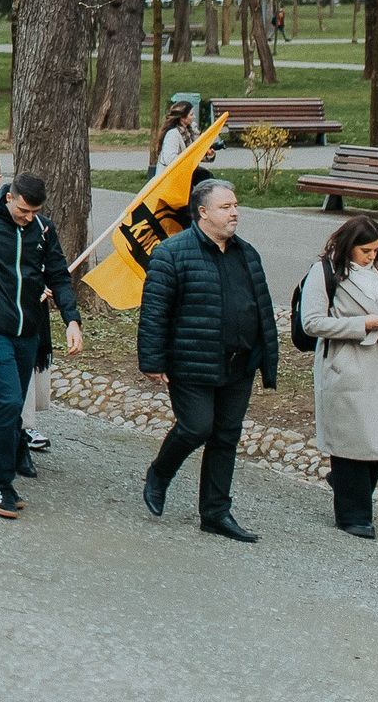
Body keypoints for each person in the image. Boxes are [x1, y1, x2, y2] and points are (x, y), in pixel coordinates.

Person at [138, 179, 279, 543]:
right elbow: (155, 312)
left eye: (235, 205)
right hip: (192, 361)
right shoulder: (172, 253)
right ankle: (161, 471)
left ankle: (215, 513)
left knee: (226, 436)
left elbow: (260, 305)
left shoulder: (246, 253)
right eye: (225, 207)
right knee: (197, 427)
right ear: (202, 212)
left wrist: (265, 352)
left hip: (239, 362)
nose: (234, 213)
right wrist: (152, 360)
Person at [0, 174, 82, 520]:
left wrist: (72, 319)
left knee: (14, 406)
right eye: (24, 210)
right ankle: (1, 483)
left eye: (35, 211)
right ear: (9, 197)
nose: (29, 217)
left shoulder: (42, 229)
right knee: (10, 401)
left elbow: (58, 274)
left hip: (29, 331)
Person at [297, 216, 378, 538]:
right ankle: (353, 515)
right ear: (349, 246)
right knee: (351, 439)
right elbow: (312, 322)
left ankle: (347, 487)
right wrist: (362, 324)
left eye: (376, 250)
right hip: (346, 361)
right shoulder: (325, 271)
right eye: (365, 250)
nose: (371, 256)